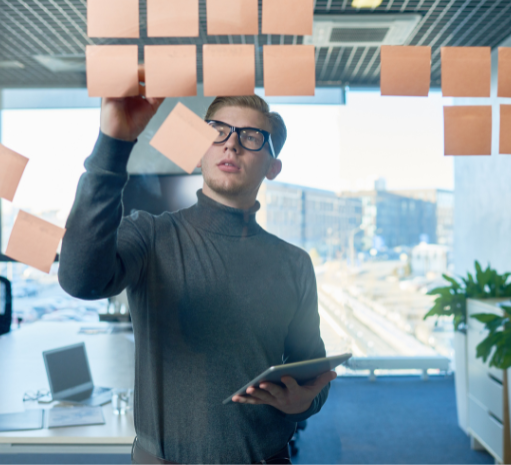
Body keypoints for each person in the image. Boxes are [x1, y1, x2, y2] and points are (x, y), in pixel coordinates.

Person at [58, 80, 336, 464]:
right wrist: (113, 142)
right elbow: (79, 279)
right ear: (198, 151)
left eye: (252, 136)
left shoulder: (294, 263)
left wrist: (306, 401)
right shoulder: (151, 235)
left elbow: (313, 371)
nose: (231, 143)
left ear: (273, 167)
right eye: (218, 131)